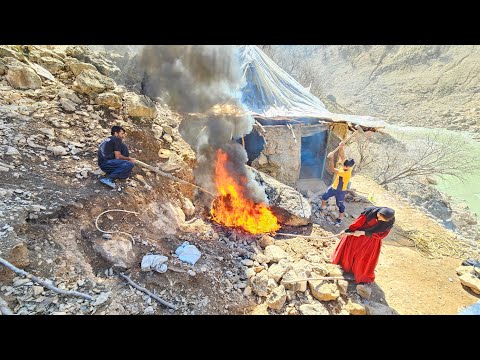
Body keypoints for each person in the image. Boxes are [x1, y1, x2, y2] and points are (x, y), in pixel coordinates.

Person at [331, 206, 395, 288]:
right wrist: (348, 231)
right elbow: (357, 223)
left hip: (372, 240)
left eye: (382, 220)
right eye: (379, 217)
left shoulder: (390, 221)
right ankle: (346, 268)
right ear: (378, 213)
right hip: (356, 236)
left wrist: (364, 233)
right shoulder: (369, 213)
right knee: (351, 252)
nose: (379, 220)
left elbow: (382, 234)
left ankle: (357, 273)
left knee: (363, 257)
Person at [320, 143, 355, 225]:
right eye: (344, 165)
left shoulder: (346, 173)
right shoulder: (346, 164)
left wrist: (331, 159)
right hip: (333, 187)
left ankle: (340, 217)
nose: (344, 167)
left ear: (349, 167)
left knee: (340, 205)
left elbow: (332, 169)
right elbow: (342, 156)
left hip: (340, 191)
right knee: (324, 197)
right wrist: (341, 147)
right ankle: (322, 207)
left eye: (346, 166)